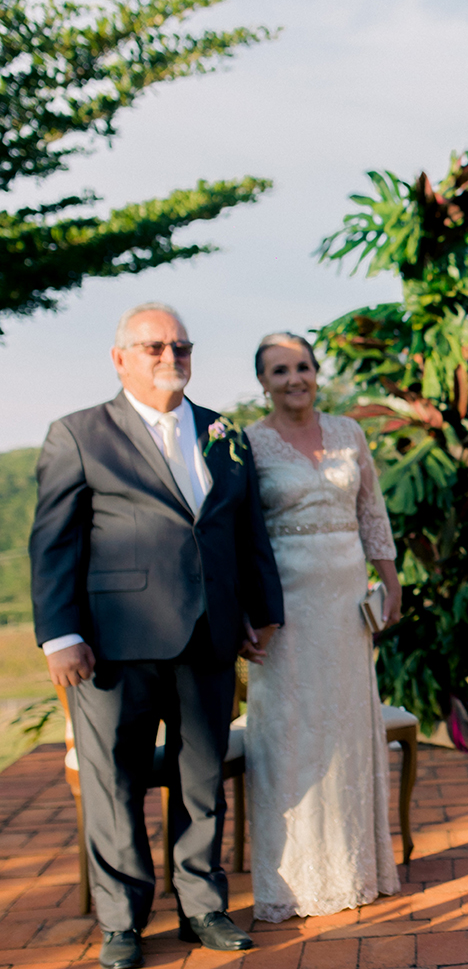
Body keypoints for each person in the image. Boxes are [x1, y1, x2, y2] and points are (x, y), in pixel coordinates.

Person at [30, 303, 284, 969]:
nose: (170, 357)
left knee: (200, 780)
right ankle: (122, 923)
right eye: (153, 348)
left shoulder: (224, 433)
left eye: (181, 346)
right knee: (113, 785)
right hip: (112, 645)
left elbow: (245, 530)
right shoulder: (78, 434)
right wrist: (59, 635)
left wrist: (261, 611)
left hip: (209, 636)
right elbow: (53, 543)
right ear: (120, 359)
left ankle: (202, 908)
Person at [240, 332, 402, 922]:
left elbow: (371, 511)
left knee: (346, 729)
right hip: (283, 607)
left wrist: (389, 576)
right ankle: (296, 878)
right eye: (279, 370)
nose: (294, 378)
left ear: (316, 372)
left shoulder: (348, 433)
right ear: (263, 381)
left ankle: (360, 868)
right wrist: (247, 612)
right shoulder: (249, 444)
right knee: (291, 732)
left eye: (302, 366)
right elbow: (239, 534)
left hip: (344, 604)